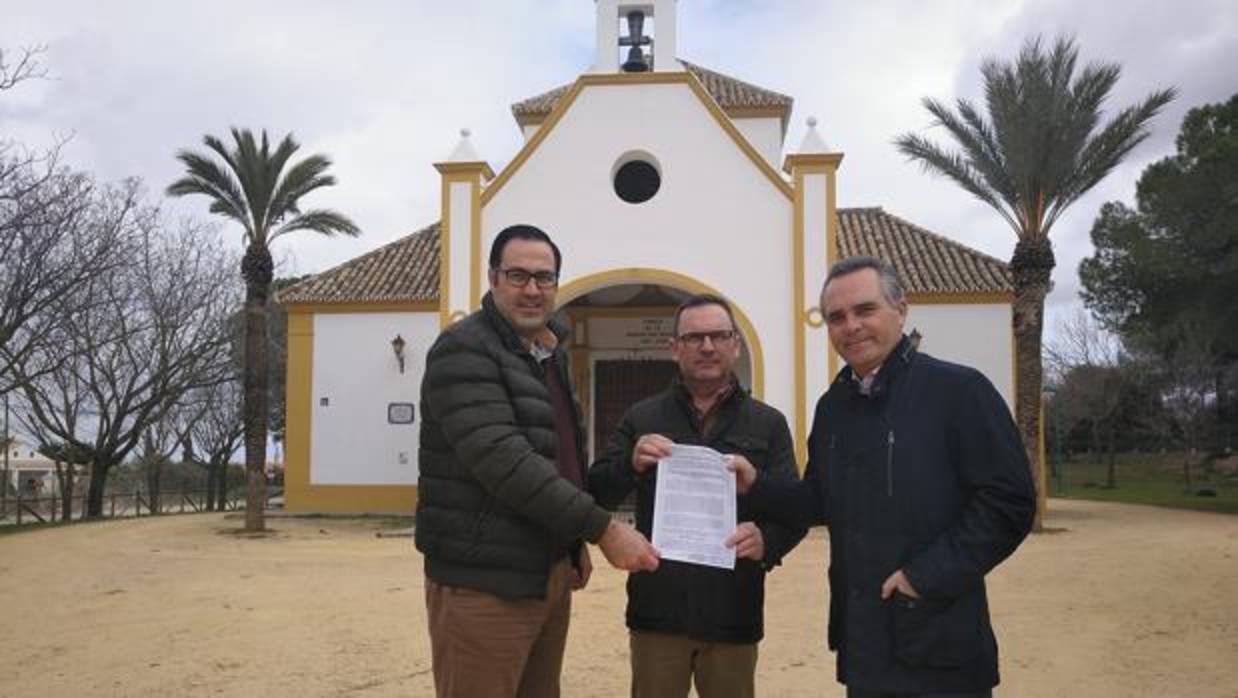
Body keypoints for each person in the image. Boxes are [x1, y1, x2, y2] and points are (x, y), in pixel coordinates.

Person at [733, 256, 1036, 697]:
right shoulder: (833, 406)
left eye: (865, 310)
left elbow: (1009, 502)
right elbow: (820, 498)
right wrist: (757, 485)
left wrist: (925, 577)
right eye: (837, 317)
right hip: (865, 646)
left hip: (942, 643)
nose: (850, 326)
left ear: (901, 309)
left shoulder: (959, 391)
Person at [415, 224, 659, 698]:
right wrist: (603, 529)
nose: (533, 290)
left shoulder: (548, 354)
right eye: (518, 276)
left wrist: (570, 545)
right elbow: (506, 462)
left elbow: (559, 457)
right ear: (493, 278)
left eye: (544, 278)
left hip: (543, 573)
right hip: (484, 584)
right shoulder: (464, 349)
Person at [589, 293, 807, 698]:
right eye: (694, 338)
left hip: (733, 613)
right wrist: (630, 464)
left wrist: (768, 541)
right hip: (657, 611)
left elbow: (794, 509)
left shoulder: (768, 423)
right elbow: (596, 490)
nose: (707, 346)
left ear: (735, 345)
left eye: (719, 335)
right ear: (675, 349)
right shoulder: (643, 417)